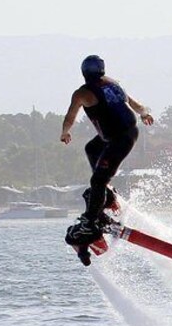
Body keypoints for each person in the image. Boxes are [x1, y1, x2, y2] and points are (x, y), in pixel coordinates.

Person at [61, 55, 154, 247]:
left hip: (119, 140)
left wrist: (65, 132)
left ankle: (91, 222)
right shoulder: (114, 85)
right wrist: (144, 113)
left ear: (84, 72)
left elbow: (71, 116)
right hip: (121, 135)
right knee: (91, 148)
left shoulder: (82, 93)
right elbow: (135, 104)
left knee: (97, 179)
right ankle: (106, 195)